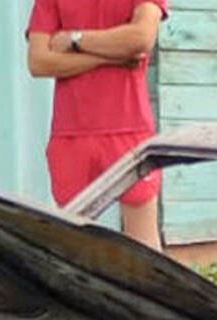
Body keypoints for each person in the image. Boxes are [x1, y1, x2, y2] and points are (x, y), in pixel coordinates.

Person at [27, 0, 168, 251]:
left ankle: (149, 293)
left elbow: (141, 38)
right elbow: (38, 62)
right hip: (71, 132)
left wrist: (74, 39)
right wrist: (110, 58)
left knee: (144, 243)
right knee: (76, 244)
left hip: (129, 127)